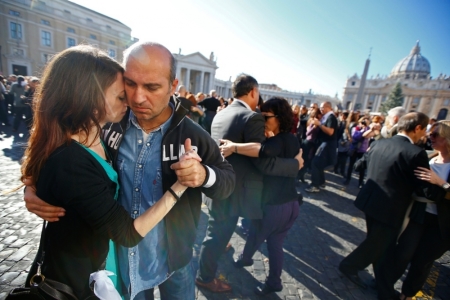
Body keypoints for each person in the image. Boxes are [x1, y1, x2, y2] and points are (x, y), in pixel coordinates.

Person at [24, 41, 235, 300]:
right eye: (130, 84)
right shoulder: (107, 118)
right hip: (119, 258)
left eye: (152, 87)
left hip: (172, 257)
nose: (137, 98)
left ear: (173, 86)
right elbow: (59, 148)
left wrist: (203, 175)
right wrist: (32, 187)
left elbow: (227, 181)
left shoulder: (192, 134)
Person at [195, 74, 302, 293]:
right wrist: (295, 165)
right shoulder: (251, 117)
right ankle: (204, 277)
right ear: (253, 91)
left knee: (217, 231)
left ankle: (218, 252)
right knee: (217, 235)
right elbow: (264, 163)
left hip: (218, 182)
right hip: (235, 190)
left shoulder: (221, 113)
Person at [338, 112, 430, 300]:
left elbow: (359, 166)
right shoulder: (416, 153)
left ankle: (383, 287)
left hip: (371, 202)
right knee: (376, 245)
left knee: (380, 246)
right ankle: (350, 266)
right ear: (418, 128)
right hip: (391, 209)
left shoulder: (379, 143)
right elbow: (425, 188)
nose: (425, 135)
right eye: (425, 130)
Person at [219, 97, 302, 295]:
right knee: (276, 245)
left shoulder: (276, 142)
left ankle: (244, 259)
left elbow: (265, 151)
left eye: (266, 116)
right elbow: (292, 159)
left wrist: (234, 147)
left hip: (274, 206)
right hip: (292, 205)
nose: (263, 119)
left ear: (280, 117)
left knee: (255, 235)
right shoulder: (292, 139)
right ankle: (274, 282)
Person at [386, 120, 450, 300]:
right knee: (403, 252)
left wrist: (441, 183)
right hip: (419, 214)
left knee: (422, 261)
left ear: (448, 138)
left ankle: (407, 293)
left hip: (442, 223)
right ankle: (385, 284)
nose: (431, 136)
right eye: (430, 133)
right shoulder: (428, 156)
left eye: (436, 134)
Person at [305, 101, 338, 192]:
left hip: (327, 143)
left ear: (328, 107)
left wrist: (319, 124)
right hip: (324, 143)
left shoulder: (331, 117)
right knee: (318, 163)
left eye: (323, 107)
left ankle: (315, 185)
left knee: (315, 162)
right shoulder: (326, 117)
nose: (321, 109)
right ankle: (321, 182)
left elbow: (330, 132)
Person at [297, 107, 322, 183]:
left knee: (307, 161)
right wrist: (314, 127)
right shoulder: (314, 121)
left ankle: (301, 176)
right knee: (305, 161)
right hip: (308, 142)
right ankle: (298, 177)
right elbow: (308, 133)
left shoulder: (316, 121)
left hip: (311, 143)